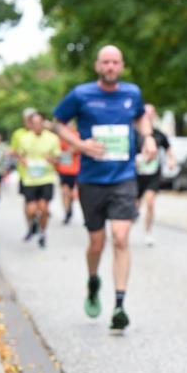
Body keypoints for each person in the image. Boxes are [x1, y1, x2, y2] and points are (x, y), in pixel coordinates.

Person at [53, 45, 157, 332]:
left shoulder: (132, 93)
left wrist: (147, 137)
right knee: (97, 242)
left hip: (123, 177)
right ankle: (93, 280)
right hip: (91, 179)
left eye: (115, 62)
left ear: (121, 66)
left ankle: (120, 305)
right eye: (105, 62)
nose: (111, 67)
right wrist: (80, 144)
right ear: (98, 66)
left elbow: (140, 116)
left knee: (121, 237)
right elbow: (58, 123)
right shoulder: (81, 94)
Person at [12, 113, 61, 249]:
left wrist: (51, 160)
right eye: (34, 123)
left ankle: (42, 233)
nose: (37, 126)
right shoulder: (24, 138)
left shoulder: (52, 138)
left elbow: (58, 157)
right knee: (32, 210)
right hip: (30, 179)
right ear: (30, 124)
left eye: (40, 122)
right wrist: (23, 161)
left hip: (46, 177)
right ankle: (33, 224)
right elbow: (18, 154)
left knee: (44, 209)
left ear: (43, 123)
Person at [136, 104, 176, 246]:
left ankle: (148, 233)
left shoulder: (159, 135)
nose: (148, 117)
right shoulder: (134, 134)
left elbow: (169, 150)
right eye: (145, 114)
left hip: (153, 175)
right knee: (134, 206)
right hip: (135, 176)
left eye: (150, 114)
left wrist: (171, 160)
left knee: (150, 203)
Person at [56, 120, 81, 225]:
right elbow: (57, 151)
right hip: (64, 169)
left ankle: (70, 206)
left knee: (73, 193)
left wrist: (74, 149)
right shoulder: (61, 137)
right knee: (64, 191)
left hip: (76, 169)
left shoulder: (78, 135)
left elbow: (81, 148)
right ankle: (67, 211)